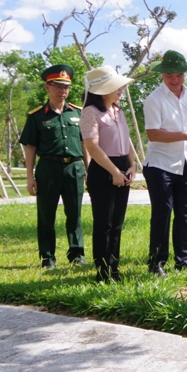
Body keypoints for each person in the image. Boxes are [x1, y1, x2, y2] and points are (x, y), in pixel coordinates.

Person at [143, 50, 187, 276]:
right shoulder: (153, 99)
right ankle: (156, 262)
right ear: (161, 74)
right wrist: (186, 136)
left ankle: (184, 260)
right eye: (169, 75)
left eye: (179, 75)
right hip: (160, 165)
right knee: (162, 213)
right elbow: (153, 134)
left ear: (185, 74)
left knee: (186, 214)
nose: (174, 80)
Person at [19, 64, 87, 269]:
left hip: (74, 168)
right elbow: (30, 147)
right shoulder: (37, 116)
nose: (62, 90)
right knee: (46, 214)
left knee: (75, 214)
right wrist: (30, 177)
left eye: (65, 86)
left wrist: (88, 169)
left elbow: (86, 144)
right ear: (47, 88)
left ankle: (77, 254)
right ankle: (47, 257)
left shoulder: (78, 113)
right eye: (57, 86)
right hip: (48, 168)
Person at [79, 66, 136, 282]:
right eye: (115, 86)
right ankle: (102, 270)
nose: (120, 89)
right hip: (103, 169)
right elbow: (93, 147)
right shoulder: (90, 113)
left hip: (122, 165)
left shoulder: (118, 111)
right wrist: (114, 172)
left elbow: (127, 142)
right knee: (104, 223)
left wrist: (132, 165)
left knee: (118, 223)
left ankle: (114, 267)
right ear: (101, 90)